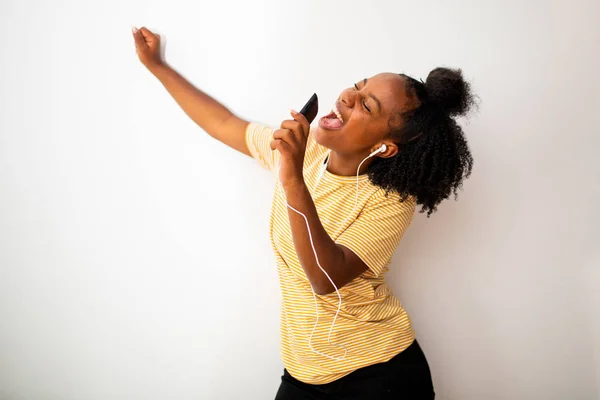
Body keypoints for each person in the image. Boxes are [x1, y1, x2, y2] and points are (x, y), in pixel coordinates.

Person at [132, 25, 475, 399]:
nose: (347, 96)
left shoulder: (390, 202)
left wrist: (291, 176)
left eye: (366, 105)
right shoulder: (307, 153)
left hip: (379, 378)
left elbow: (326, 277)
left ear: (385, 148)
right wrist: (158, 67)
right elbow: (223, 124)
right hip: (304, 372)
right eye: (358, 87)